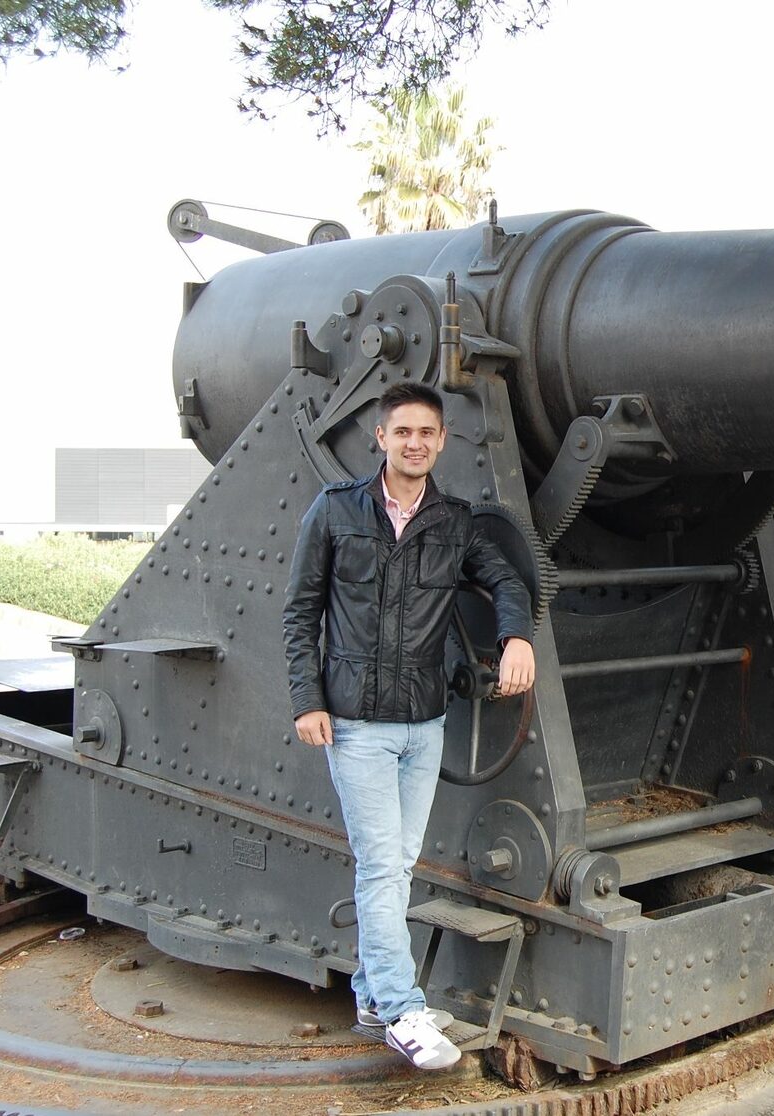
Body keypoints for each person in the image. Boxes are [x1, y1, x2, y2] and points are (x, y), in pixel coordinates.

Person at [282, 381, 535, 1071]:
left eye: (427, 432)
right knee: (381, 865)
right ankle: (401, 1010)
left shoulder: (455, 522)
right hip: (356, 724)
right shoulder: (335, 510)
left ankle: (371, 996)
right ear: (382, 438)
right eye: (403, 432)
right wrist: (308, 701)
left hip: (424, 724)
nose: (415, 443)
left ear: (442, 440)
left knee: (396, 864)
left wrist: (516, 636)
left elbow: (508, 581)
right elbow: (301, 612)